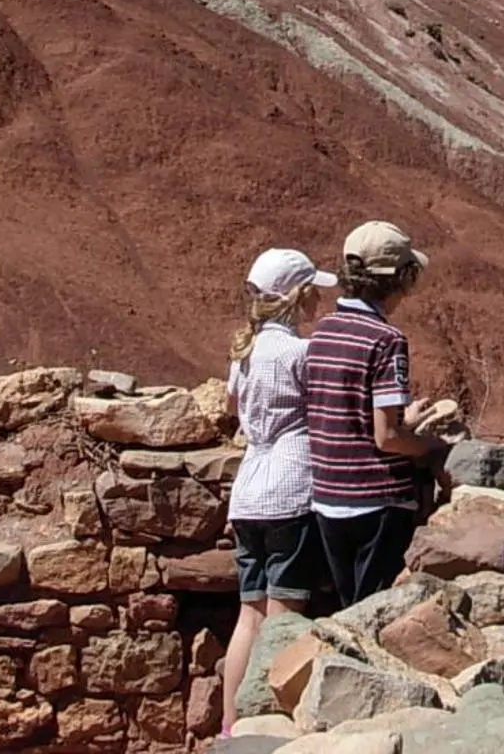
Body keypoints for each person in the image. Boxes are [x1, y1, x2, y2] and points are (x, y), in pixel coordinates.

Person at [221, 246, 334, 737]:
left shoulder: (244, 353)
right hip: (291, 491)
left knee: (249, 615)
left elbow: (231, 407)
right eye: (313, 292)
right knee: (284, 618)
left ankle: (229, 725)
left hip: (247, 494)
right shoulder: (300, 353)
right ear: (297, 295)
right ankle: (263, 729)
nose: (318, 301)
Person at [306, 220, 441, 607]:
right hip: (376, 500)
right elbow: (386, 438)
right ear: (400, 279)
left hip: (328, 496)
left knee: (347, 606)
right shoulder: (386, 340)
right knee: (372, 611)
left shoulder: (323, 330)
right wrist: (428, 445)